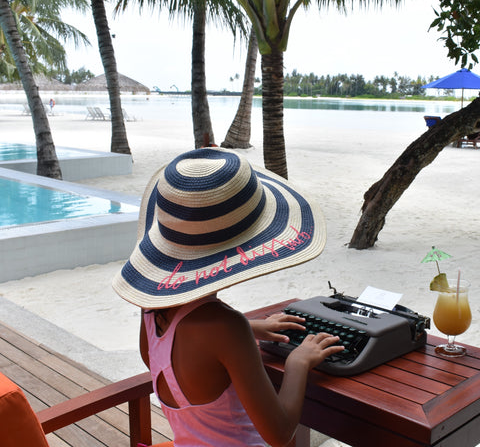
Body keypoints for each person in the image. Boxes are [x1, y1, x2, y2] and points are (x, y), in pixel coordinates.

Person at [113, 147, 344, 447]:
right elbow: (280, 432)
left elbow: (187, 354)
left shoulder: (150, 310)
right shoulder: (226, 327)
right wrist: (298, 363)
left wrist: (250, 329)